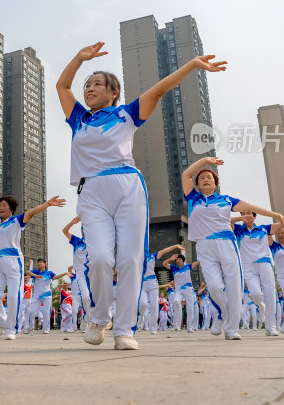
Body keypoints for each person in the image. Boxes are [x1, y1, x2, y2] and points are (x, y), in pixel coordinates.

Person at [57, 42, 227, 350]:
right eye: (87, 85)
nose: (90, 88)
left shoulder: (126, 114)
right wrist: (79, 58)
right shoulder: (78, 118)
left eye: (97, 84)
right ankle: (98, 316)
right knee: (99, 258)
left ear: (113, 92)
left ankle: (124, 330)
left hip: (127, 188)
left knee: (131, 260)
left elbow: (160, 89)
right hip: (91, 192)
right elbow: (62, 85)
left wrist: (191, 65)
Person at [182, 156, 284, 340]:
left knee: (234, 286)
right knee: (214, 287)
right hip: (204, 246)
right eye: (201, 178)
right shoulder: (193, 199)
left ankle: (232, 329)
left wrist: (275, 214)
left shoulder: (226, 200)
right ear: (197, 184)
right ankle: (223, 312)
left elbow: (251, 207)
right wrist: (205, 160)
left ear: (215, 183)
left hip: (227, 244)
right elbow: (186, 174)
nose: (206, 179)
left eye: (210, 177)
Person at [0, 186, 65, 339]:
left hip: (13, 262)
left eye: (4, 205)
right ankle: (2, 321)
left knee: (13, 296)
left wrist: (47, 204)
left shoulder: (16, 220)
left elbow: (31, 212)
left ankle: (11, 329)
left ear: (11, 208)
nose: (0, 208)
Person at [231, 210, 284, 336]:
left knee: (270, 295)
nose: (246, 215)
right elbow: (227, 222)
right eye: (243, 213)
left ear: (254, 217)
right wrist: (240, 218)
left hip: (264, 263)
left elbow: (283, 223)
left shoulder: (264, 229)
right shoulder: (238, 229)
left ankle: (271, 327)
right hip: (247, 266)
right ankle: (260, 305)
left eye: (249, 213)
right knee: (256, 294)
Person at [139, 244, 183, 333]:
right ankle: (140, 323)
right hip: (142, 284)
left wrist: (175, 246)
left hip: (153, 283)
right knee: (143, 304)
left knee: (154, 306)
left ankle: (153, 328)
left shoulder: (152, 257)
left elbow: (164, 250)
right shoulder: (136, 259)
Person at [25, 258, 68, 334]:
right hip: (36, 297)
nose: (39, 264)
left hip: (47, 296)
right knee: (31, 311)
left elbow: (56, 277)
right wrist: (36, 276)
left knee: (46, 313)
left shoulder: (49, 273)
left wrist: (65, 273)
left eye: (40, 262)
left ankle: (45, 329)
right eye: (38, 262)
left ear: (45, 264)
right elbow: (27, 272)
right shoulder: (35, 272)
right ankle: (30, 327)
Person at [162, 253, 200, 333]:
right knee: (175, 302)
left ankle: (189, 327)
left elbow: (198, 262)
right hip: (178, 290)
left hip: (188, 289)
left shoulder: (187, 267)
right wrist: (170, 258)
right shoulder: (174, 268)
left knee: (190, 308)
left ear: (183, 261)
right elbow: (164, 264)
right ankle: (176, 325)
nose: (178, 261)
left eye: (179, 259)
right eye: (177, 260)